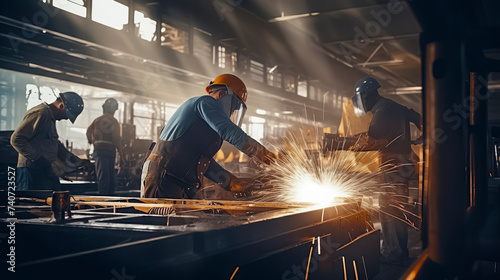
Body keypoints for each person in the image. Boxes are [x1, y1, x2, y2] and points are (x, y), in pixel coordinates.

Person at [141, 74, 275, 199]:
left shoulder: (205, 125)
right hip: (163, 177)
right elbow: (230, 132)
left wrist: (233, 183)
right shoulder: (205, 102)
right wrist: (265, 155)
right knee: (162, 220)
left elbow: (205, 164)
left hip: (181, 181)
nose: (233, 111)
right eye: (234, 105)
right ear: (222, 94)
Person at [350, 77, 422, 264]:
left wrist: (348, 143)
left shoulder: (382, 110)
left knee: (389, 209)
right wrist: (420, 138)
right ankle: (400, 251)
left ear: (367, 96)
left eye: (361, 98)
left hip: (393, 165)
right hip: (402, 163)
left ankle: (393, 253)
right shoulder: (395, 106)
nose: (360, 102)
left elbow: (371, 137)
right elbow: (418, 118)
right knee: (397, 207)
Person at [11, 91, 89, 191]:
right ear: (61, 106)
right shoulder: (41, 113)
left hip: (44, 170)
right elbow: (16, 139)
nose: (65, 119)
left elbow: (55, 144)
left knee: (54, 200)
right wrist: (42, 161)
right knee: (31, 203)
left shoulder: (50, 118)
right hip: (31, 171)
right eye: (66, 115)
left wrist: (76, 161)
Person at [86, 98, 123, 195]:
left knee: (103, 177)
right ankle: (108, 199)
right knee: (111, 177)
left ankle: (104, 198)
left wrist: (92, 142)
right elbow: (116, 139)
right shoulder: (114, 121)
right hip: (110, 152)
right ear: (113, 110)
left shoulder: (97, 120)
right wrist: (122, 154)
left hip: (99, 152)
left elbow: (88, 131)